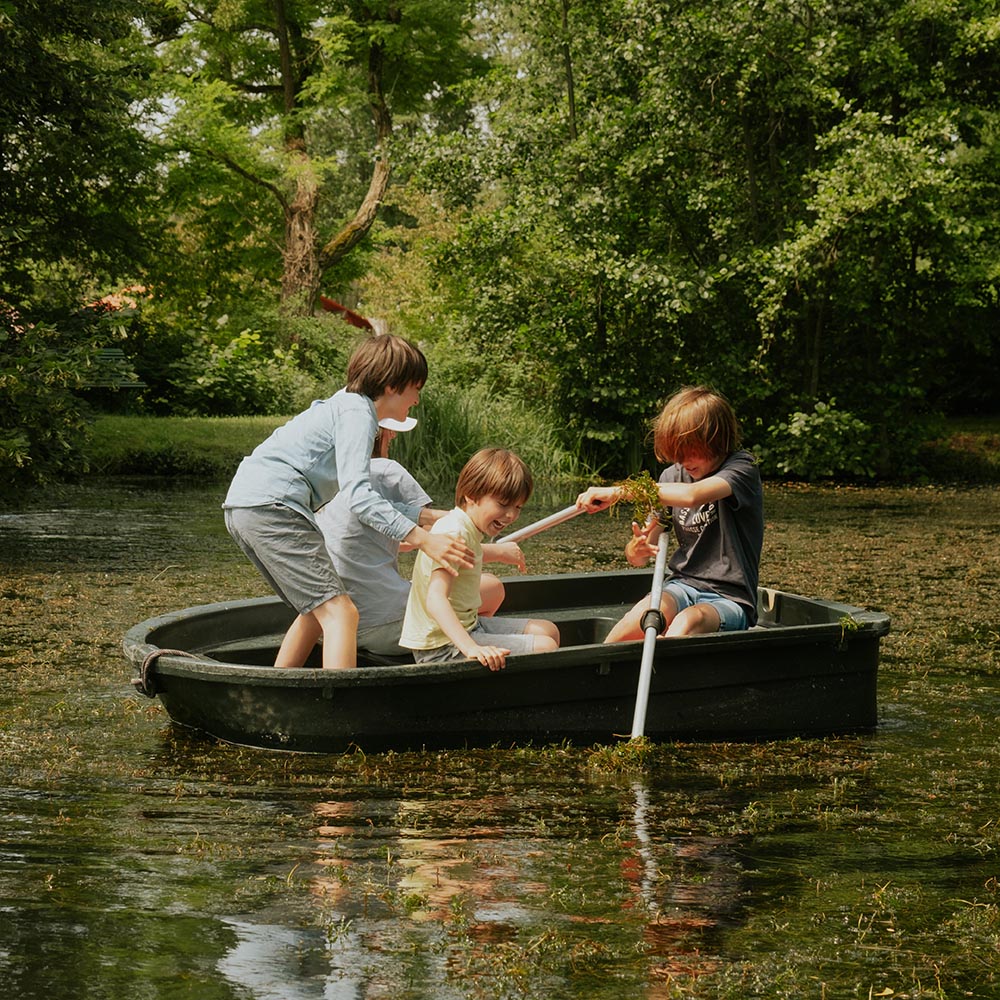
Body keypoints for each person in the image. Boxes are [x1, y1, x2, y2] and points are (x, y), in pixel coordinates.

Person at [222, 334, 474, 670]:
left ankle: (278, 687)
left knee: (316, 609)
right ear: (391, 385)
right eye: (416, 387)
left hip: (246, 505)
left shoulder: (345, 406)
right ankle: (338, 712)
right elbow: (360, 499)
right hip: (275, 507)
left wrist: (429, 517)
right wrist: (424, 539)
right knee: (342, 612)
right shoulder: (359, 415)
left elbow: (354, 495)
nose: (417, 398)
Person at [316, 417, 525, 659]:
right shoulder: (387, 471)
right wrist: (498, 551)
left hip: (335, 625)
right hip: (389, 627)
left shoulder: (330, 483)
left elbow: (407, 542)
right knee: (493, 586)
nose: (393, 436)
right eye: (390, 430)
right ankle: (469, 646)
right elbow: (440, 541)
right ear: (374, 434)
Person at [576, 385, 763, 640]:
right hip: (681, 587)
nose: (684, 459)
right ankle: (601, 671)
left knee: (686, 622)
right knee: (635, 621)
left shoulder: (742, 468)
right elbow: (639, 557)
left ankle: (666, 668)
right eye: (677, 451)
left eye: (691, 448)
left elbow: (692, 496)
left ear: (716, 438)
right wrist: (637, 548)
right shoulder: (671, 477)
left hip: (730, 598)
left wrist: (618, 492)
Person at [400, 447, 560, 671]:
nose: (511, 515)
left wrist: (502, 552)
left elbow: (470, 554)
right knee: (546, 647)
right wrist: (472, 648)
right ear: (471, 495)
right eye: (503, 505)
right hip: (441, 648)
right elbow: (435, 599)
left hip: (469, 626)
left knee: (548, 630)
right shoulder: (454, 531)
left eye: (518, 507)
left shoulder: (464, 525)